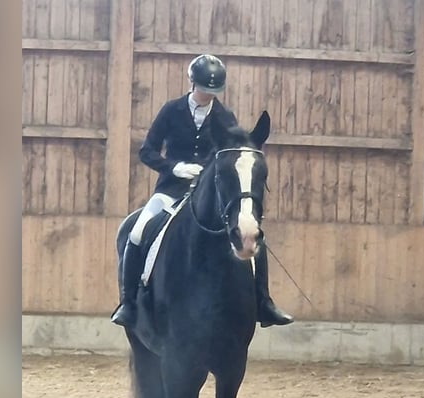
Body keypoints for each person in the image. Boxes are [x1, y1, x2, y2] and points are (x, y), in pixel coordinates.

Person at [111, 54, 293, 329]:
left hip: (209, 196)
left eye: (213, 92)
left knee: (252, 235)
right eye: (203, 90)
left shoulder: (224, 116)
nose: (207, 96)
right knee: (138, 231)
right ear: (192, 83)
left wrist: (209, 171)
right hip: (170, 190)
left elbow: (229, 157)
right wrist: (174, 168)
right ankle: (128, 303)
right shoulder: (171, 111)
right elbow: (146, 151)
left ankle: (264, 302)